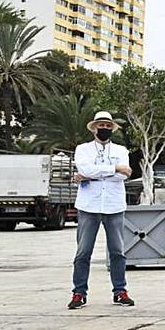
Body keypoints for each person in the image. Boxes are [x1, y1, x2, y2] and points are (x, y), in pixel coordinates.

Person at [68, 111, 136, 309]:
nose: (104, 129)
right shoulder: (83, 149)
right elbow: (87, 169)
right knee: (83, 251)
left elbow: (125, 175)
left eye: (108, 126)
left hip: (114, 205)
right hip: (89, 205)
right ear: (94, 128)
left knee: (117, 251)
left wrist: (92, 174)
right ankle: (79, 292)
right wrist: (114, 169)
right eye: (101, 125)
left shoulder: (121, 150)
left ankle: (120, 291)